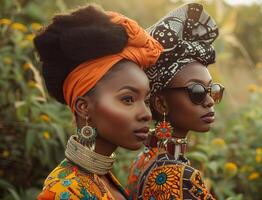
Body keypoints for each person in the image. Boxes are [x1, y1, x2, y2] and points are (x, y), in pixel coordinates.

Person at [34, 4, 162, 200]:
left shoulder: (106, 181)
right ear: (83, 107)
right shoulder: (64, 193)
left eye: (146, 100)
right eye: (128, 99)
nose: (146, 113)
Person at [126, 3, 223, 199]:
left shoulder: (145, 157)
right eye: (196, 91)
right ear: (161, 103)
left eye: (212, 90)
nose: (209, 101)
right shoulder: (179, 176)